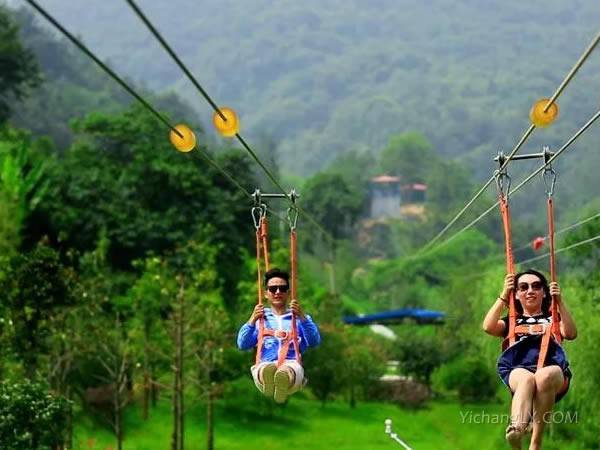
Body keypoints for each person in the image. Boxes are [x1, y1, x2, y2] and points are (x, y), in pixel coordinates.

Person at [482, 269, 577, 450]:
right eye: (523, 287)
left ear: (544, 292)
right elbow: (488, 327)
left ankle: (535, 443)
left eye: (536, 286)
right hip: (519, 371)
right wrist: (504, 294)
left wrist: (560, 302)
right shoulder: (511, 321)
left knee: (543, 376)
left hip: (553, 372)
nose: (530, 291)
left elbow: (571, 333)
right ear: (516, 294)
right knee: (526, 378)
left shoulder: (555, 319)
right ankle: (517, 429)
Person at [237, 267, 321, 403]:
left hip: (292, 364)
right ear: (266, 293)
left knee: (287, 370)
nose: (277, 292)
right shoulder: (261, 319)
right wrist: (252, 320)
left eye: (282, 289)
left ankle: (282, 379)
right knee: (266, 368)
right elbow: (242, 344)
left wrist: (303, 317)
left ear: (288, 293)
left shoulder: (298, 318)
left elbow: (315, 341)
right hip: (265, 363)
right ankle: (268, 379)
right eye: (273, 289)